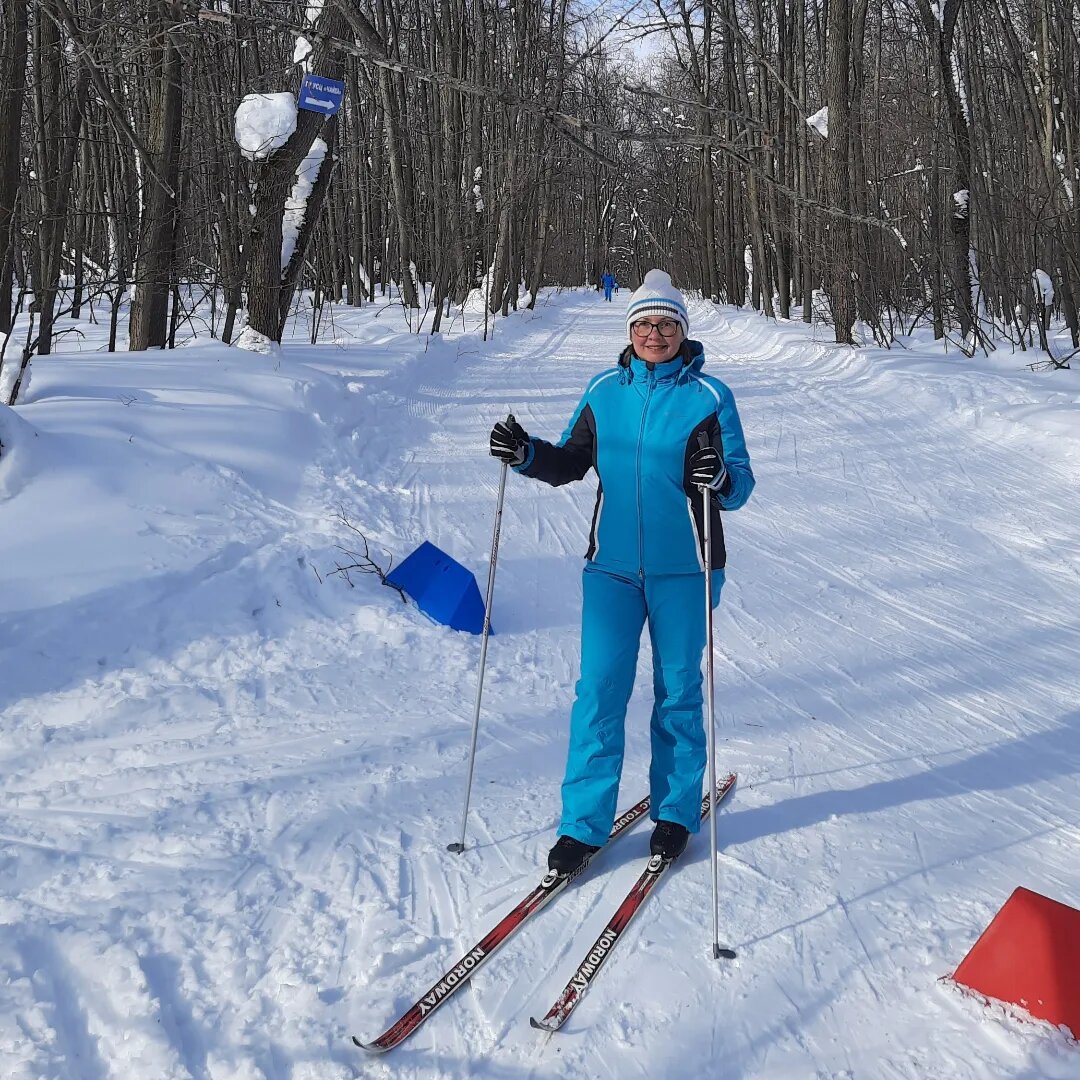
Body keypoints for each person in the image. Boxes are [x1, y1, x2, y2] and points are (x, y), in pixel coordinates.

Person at [489, 269, 755, 875]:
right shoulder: (604, 389)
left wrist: (719, 477)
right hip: (610, 570)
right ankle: (582, 826)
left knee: (679, 693)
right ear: (629, 331)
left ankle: (675, 813)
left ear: (681, 331)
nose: (654, 334)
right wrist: (526, 453)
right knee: (599, 693)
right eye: (643, 324)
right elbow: (570, 461)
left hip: (687, 570)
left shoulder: (710, 398)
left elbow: (739, 484)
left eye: (665, 324)